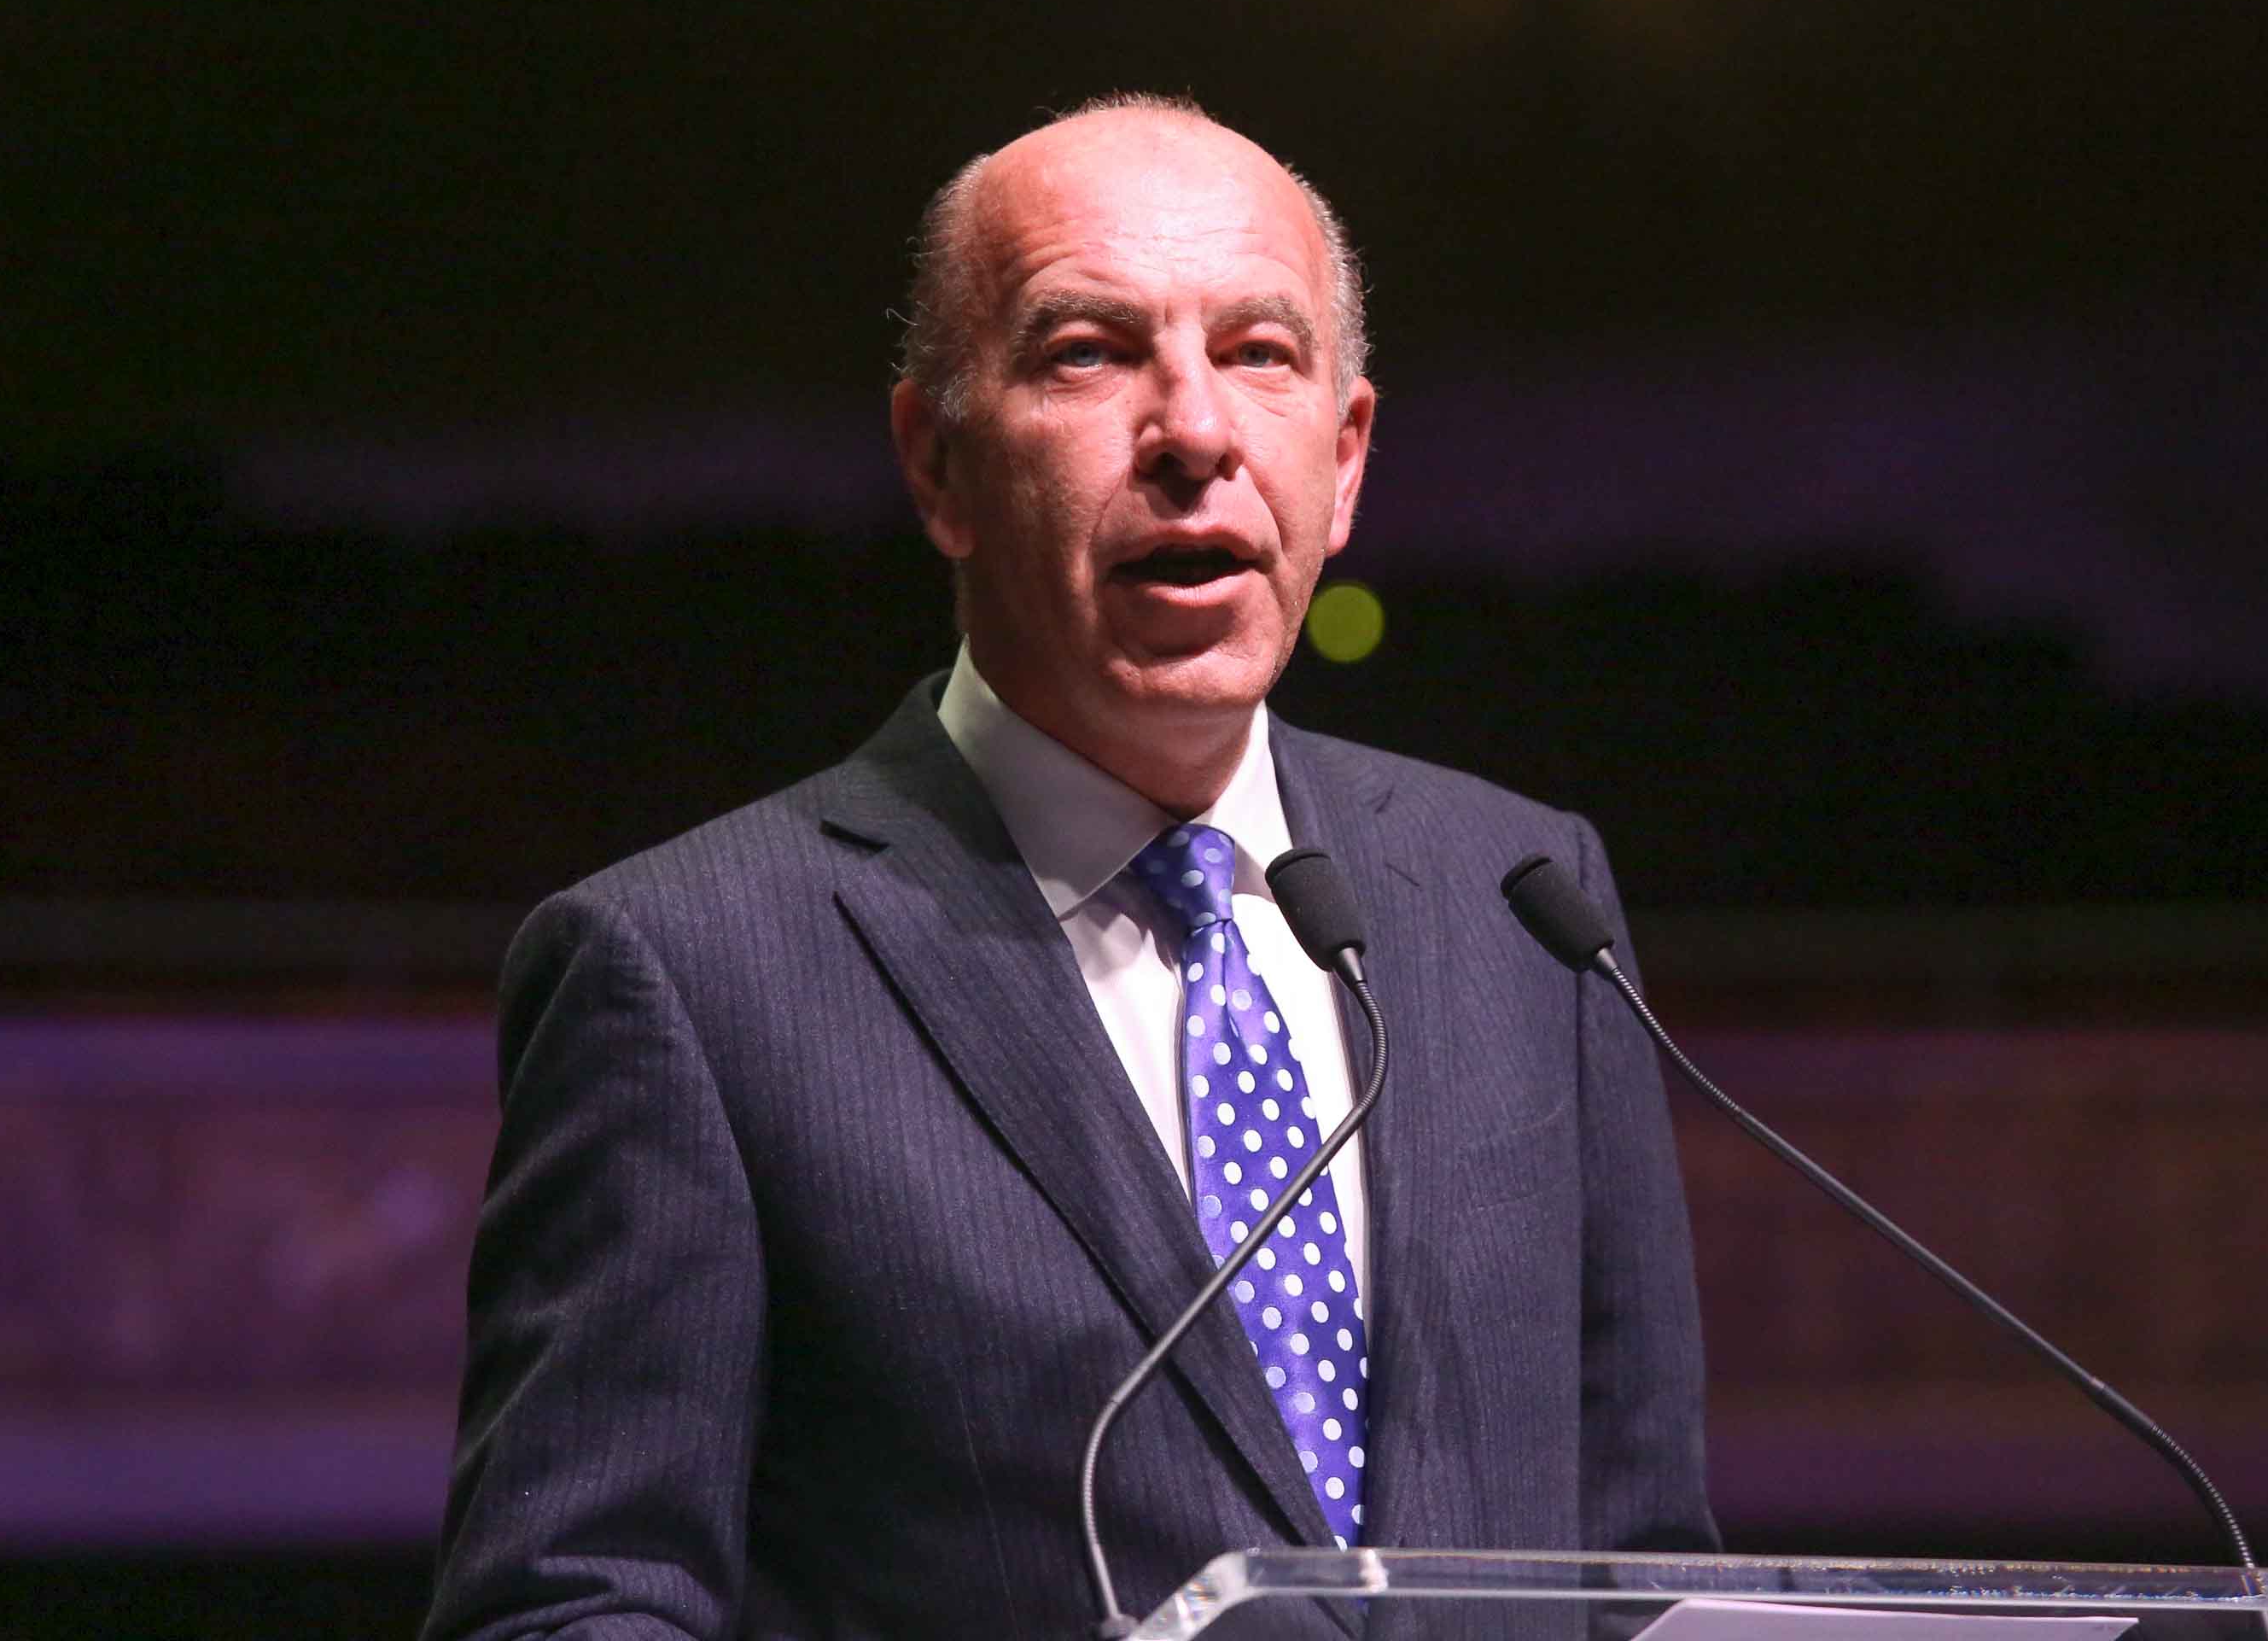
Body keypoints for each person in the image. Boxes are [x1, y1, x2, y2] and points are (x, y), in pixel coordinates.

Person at [423, 94, 1714, 1641]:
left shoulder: (1525, 901)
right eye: (1088, 353)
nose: (1194, 432)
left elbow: (1640, 1571)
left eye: (1260, 353)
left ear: (1347, 454)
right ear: (938, 463)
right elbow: (573, 1607)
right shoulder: (690, 973)